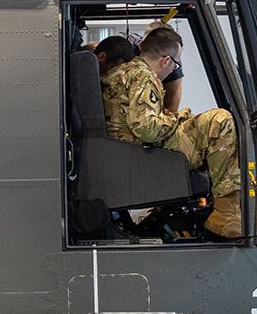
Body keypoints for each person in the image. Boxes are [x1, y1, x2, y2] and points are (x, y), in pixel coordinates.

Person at [101, 24, 244, 239]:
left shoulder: (120, 73)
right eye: (175, 64)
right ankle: (226, 215)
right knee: (220, 121)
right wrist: (178, 117)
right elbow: (147, 129)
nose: (172, 70)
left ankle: (228, 209)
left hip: (123, 152)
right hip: (141, 154)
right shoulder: (144, 77)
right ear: (166, 61)